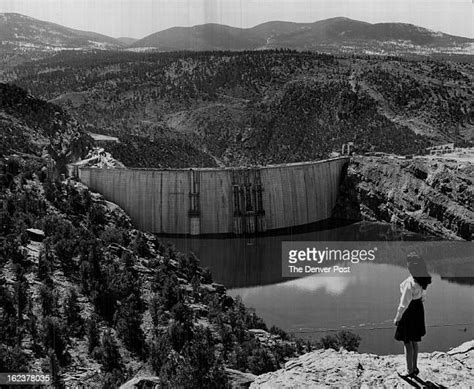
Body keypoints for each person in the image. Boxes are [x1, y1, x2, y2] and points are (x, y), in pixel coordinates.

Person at [394, 251, 432, 377]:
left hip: (409, 312)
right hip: (418, 310)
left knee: (407, 341)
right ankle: (414, 367)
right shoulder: (422, 280)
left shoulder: (410, 283)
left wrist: (397, 317)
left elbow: (403, 303)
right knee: (414, 341)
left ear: (410, 267)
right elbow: (423, 296)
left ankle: (409, 370)